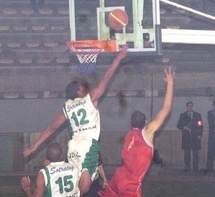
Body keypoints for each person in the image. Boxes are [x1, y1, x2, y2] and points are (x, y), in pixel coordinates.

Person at [23, 44, 128, 196]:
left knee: (73, 188)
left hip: (72, 148)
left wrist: (35, 145)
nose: (83, 88)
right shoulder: (90, 99)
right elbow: (106, 79)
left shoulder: (68, 107)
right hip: (87, 146)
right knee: (82, 190)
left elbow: (52, 128)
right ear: (78, 91)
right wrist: (118, 58)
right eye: (81, 87)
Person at [98, 67, 174, 197]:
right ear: (146, 122)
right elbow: (166, 109)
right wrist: (170, 83)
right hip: (130, 184)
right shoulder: (147, 133)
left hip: (118, 178)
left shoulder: (129, 135)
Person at [177, 101, 203, 173]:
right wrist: (184, 127)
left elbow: (200, 125)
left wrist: (200, 135)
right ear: (186, 107)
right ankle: (187, 168)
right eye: (188, 106)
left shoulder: (198, 115)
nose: (190, 107)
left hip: (195, 136)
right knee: (187, 153)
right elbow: (178, 125)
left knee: (195, 153)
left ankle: (195, 168)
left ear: (193, 106)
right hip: (186, 137)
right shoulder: (182, 115)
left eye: (191, 106)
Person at [206, 100, 215, 172]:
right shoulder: (210, 113)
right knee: (211, 152)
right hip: (212, 137)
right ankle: (209, 168)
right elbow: (211, 123)